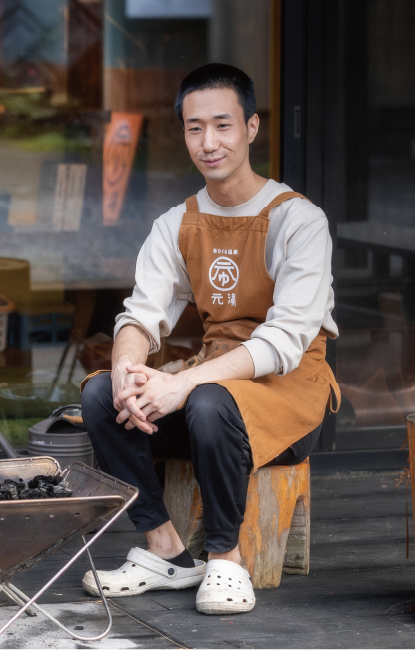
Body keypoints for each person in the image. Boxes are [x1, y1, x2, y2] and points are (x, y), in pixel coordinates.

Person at [80, 63, 339, 615]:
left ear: (251, 127)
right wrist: (129, 369)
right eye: (195, 128)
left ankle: (226, 560)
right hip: (210, 391)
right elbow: (140, 316)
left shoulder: (299, 220)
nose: (209, 142)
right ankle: (165, 551)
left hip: (287, 398)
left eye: (222, 125)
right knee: (101, 395)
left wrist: (184, 381)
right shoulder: (176, 223)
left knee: (204, 398)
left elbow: (285, 343)